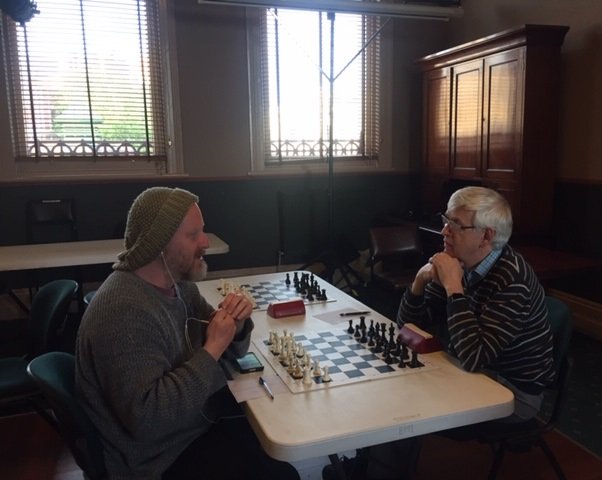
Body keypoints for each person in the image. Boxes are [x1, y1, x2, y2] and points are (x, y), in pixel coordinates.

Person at [323, 186, 555, 480]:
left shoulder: (512, 281)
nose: (444, 230)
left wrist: (454, 288)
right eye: (445, 220)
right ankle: (367, 469)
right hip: (472, 371)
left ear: (486, 236)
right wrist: (419, 281)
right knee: (389, 383)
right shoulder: (458, 262)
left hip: (511, 393)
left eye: (455, 224)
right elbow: (407, 329)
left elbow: (474, 357)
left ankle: (376, 474)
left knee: (403, 404)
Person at [76, 187, 300, 480]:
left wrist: (235, 326)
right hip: (157, 460)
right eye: (194, 235)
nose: (205, 242)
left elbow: (227, 351)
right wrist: (213, 348)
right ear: (159, 244)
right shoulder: (123, 313)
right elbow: (147, 421)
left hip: (191, 427)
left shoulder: (179, 286)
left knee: (274, 443)